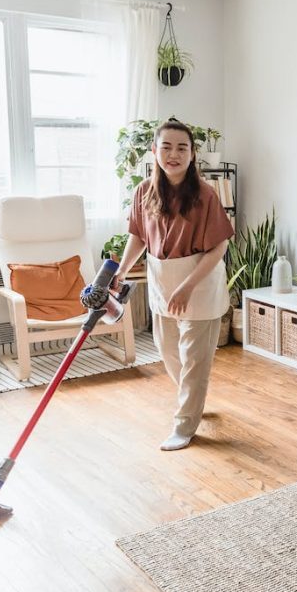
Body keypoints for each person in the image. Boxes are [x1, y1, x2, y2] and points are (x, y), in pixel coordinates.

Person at [114, 118, 235, 451]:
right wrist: (122, 270)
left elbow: (218, 247)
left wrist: (187, 286)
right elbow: (138, 236)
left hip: (199, 281)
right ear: (154, 151)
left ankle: (185, 425)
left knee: (195, 359)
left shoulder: (206, 195)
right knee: (168, 352)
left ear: (193, 154)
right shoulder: (143, 192)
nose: (174, 154)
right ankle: (193, 398)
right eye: (166, 146)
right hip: (162, 281)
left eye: (182, 147)